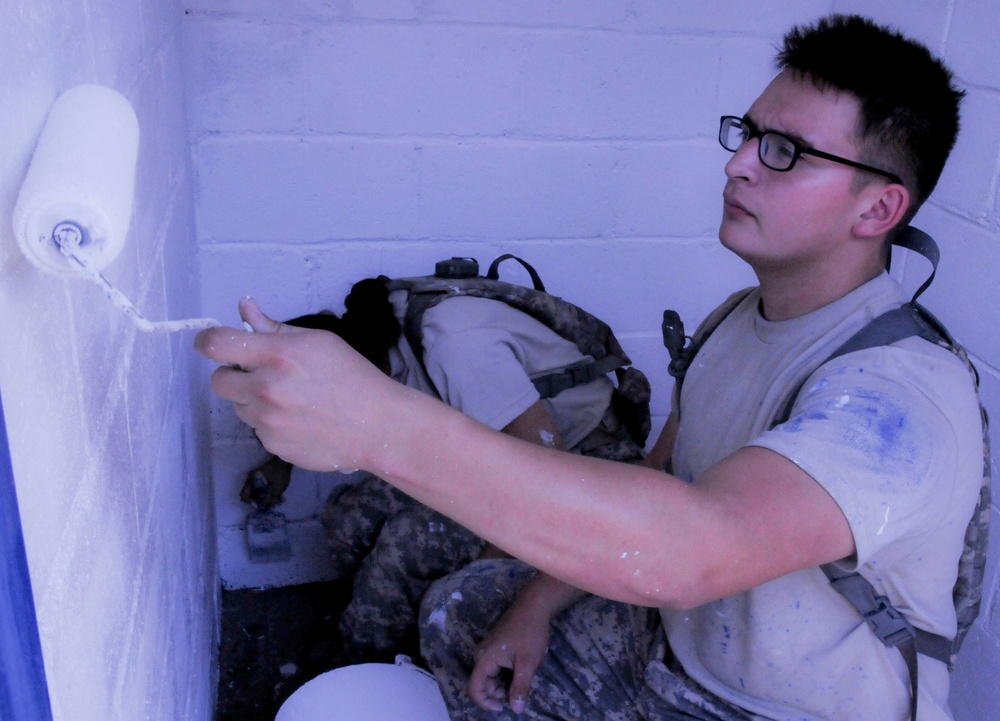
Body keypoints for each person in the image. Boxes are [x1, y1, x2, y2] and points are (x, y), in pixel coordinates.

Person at [196, 14, 984, 721]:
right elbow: (666, 475)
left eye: (782, 151)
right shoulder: (732, 324)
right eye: (746, 134)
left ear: (878, 209)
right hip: (679, 650)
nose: (739, 164)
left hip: (777, 707)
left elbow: (693, 547)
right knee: (464, 613)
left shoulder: (900, 397)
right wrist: (536, 605)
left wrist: (380, 427)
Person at [239, 274, 647, 665]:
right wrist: (281, 462)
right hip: (501, 452)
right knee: (349, 516)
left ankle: (370, 663)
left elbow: (544, 472)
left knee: (406, 546)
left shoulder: (455, 344)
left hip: (578, 460)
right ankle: (385, 623)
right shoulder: (370, 340)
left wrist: (477, 582)